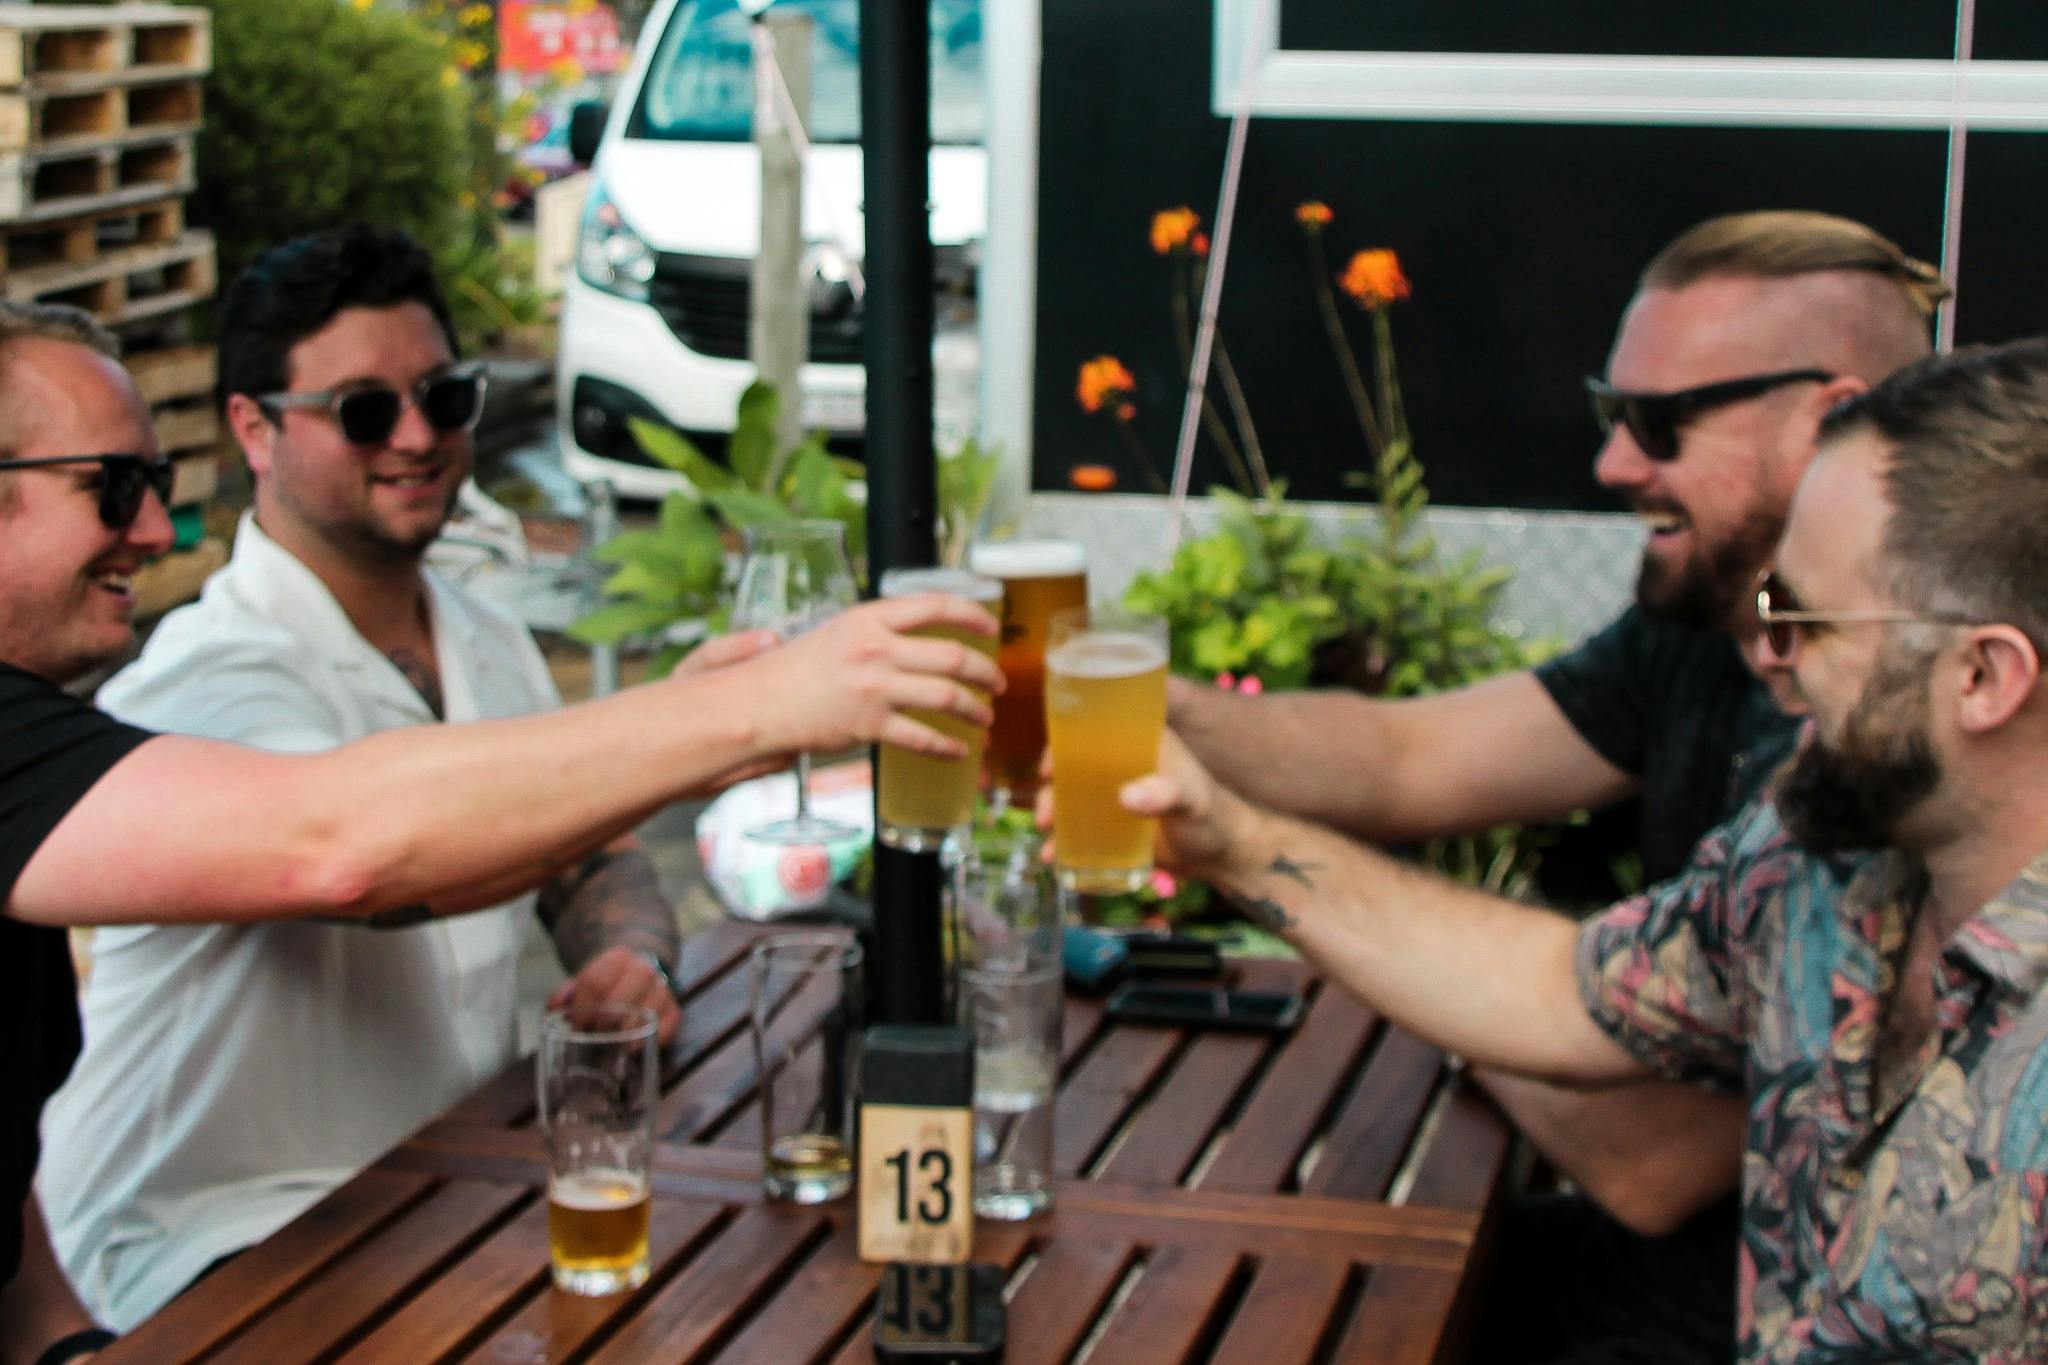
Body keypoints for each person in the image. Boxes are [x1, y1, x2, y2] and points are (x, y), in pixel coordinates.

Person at [0, 296, 1001, 1360]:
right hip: (221, 1255)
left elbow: (15, 1225)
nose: (157, 532)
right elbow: (344, 852)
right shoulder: (202, 673)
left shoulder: (475, 629)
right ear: (258, 428)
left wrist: (633, 948)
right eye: (111, 488)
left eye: (442, 397)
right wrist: (742, 712)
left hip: (419, 1210)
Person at [1101, 335, 2048, 1361]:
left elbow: (1644, 1167)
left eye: (1799, 616)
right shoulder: (1825, 854)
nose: (1767, 654)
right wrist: (1232, 843)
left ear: (1983, 678)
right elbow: (1557, 988)